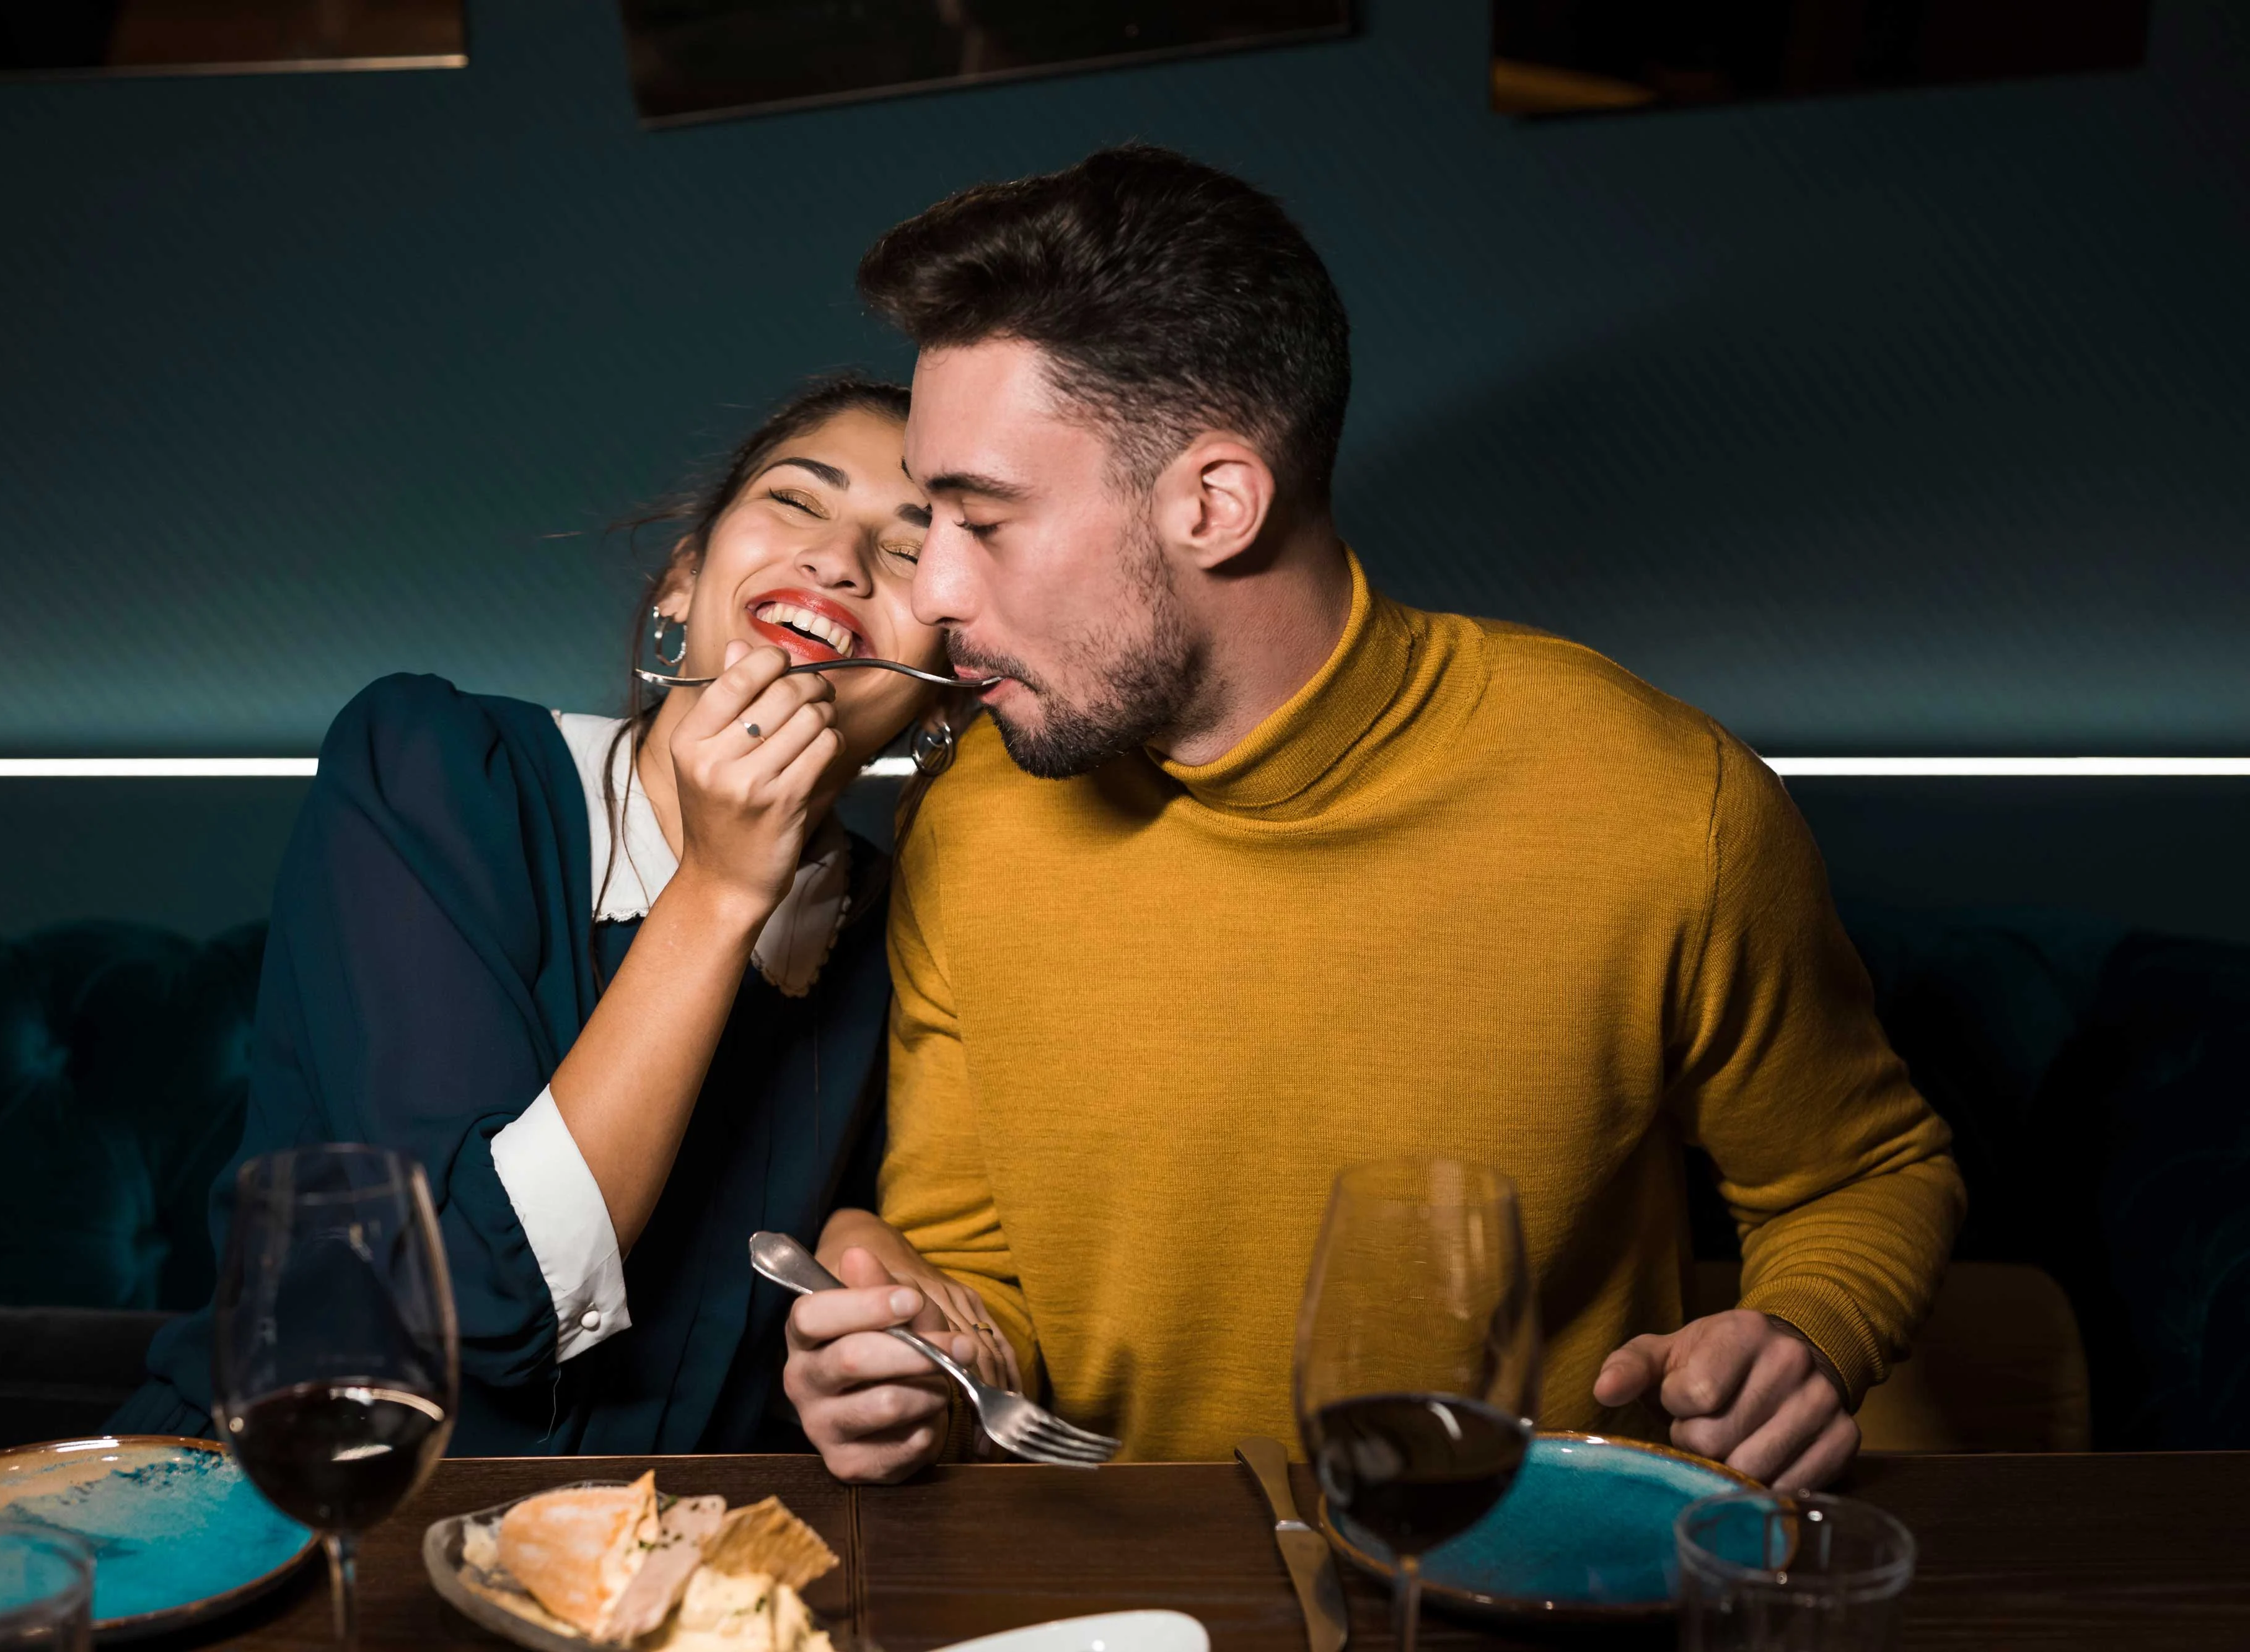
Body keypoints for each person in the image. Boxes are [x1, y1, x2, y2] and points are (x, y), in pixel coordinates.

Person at [783, 149, 1967, 1490]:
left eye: (980, 520)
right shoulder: (975, 813)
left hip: (1536, 1583)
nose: (932, 587)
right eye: (927, 516)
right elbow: (978, 1278)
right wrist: (914, 1361)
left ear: (1214, 503)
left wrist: (1810, 1330)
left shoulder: (1659, 806)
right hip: (1132, 1596)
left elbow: (1859, 1174)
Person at [115, 379, 1007, 1454]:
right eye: (796, 501)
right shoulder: (431, 769)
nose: (837, 560)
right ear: (683, 581)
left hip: (652, 1578)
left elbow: (808, 1332)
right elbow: (479, 1299)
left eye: (908, 550)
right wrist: (719, 891)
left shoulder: (906, 929)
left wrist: (867, 1272)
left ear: (943, 691)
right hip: (282, 1517)